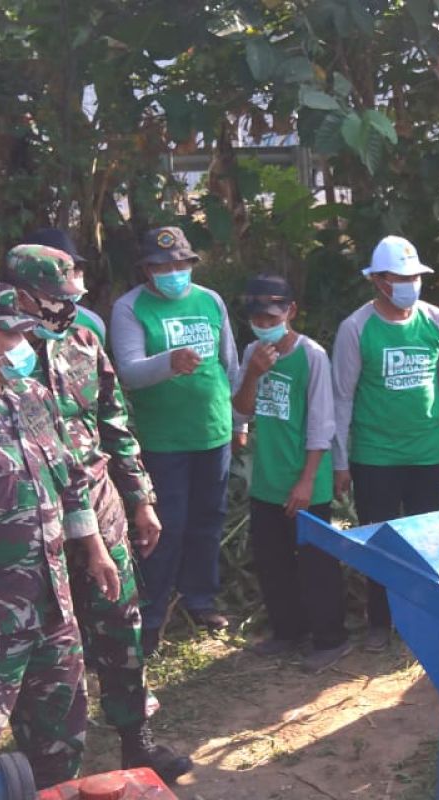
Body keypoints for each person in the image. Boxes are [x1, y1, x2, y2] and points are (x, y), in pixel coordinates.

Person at [0, 246, 191, 781]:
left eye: (73, 299)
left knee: (120, 625)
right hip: (33, 519)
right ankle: (42, 771)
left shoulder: (84, 342)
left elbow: (114, 422)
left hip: (100, 502)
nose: (70, 310)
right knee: (47, 645)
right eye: (59, 301)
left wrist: (141, 499)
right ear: (21, 297)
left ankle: (137, 740)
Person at [0, 283, 118, 788]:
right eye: (12, 331)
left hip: (52, 608)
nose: (25, 341)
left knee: (61, 738)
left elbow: (69, 481)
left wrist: (94, 547)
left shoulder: (31, 395)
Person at [332, 236, 439, 653]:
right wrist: (340, 461)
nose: (409, 284)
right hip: (375, 456)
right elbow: (342, 396)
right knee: (381, 542)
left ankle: (426, 618)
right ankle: (381, 620)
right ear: (378, 281)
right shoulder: (356, 328)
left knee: (428, 539)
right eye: (399, 277)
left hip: (427, 452)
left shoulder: (433, 320)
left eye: (414, 277)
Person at [111, 227, 243, 655]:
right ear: (147, 270)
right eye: (162, 266)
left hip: (213, 429)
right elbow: (128, 371)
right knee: (165, 524)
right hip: (163, 438)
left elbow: (230, 363)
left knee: (209, 517)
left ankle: (200, 598)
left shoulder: (210, 300)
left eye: (180, 265)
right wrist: (170, 362)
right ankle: (151, 612)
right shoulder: (129, 308)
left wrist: (239, 419)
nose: (173, 273)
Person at [233, 275, 350, 672]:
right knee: (273, 561)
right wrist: (252, 372)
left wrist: (307, 479)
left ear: (290, 312)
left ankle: (330, 637)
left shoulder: (312, 355)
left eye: (271, 316)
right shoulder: (253, 352)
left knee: (315, 563)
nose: (263, 324)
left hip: (304, 481)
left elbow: (321, 422)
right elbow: (241, 411)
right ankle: (288, 632)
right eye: (256, 317)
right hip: (265, 478)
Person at [19, 228, 107, 345]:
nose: (68, 276)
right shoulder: (1, 327)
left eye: (74, 268)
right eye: (53, 271)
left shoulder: (91, 323)